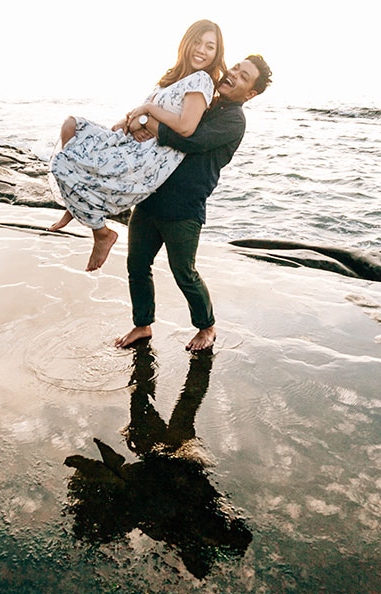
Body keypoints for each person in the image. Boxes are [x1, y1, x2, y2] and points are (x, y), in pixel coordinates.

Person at [114, 55, 272, 351]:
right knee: (137, 264)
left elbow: (191, 139)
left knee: (184, 272)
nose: (233, 74)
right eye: (235, 67)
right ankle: (142, 325)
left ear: (250, 93)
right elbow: (175, 117)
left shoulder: (234, 120)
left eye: (244, 76)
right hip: (152, 196)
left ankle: (207, 326)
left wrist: (148, 119)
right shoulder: (205, 100)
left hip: (184, 208)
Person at [48, 20, 226, 271]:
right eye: (197, 42)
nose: (202, 50)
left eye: (210, 47)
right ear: (186, 43)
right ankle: (76, 204)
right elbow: (138, 113)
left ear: (217, 53)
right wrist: (131, 121)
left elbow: (186, 127)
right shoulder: (172, 77)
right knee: (71, 125)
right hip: (133, 140)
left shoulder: (202, 81)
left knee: (63, 164)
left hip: (150, 157)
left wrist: (148, 113)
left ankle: (101, 232)